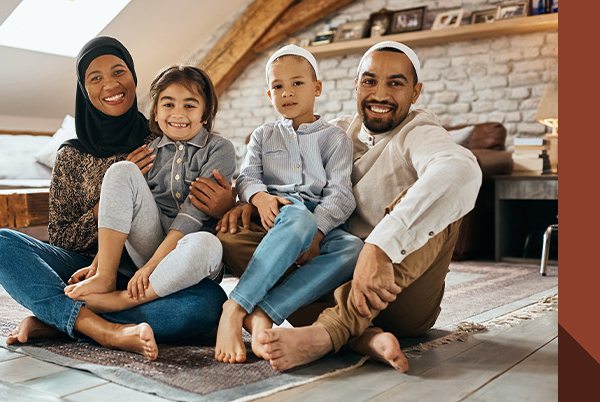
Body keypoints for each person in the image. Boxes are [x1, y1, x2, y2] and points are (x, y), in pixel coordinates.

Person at [0, 37, 233, 360]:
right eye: (95, 78)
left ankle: (60, 319)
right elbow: (61, 238)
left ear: (133, 77)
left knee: (208, 304)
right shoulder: (70, 155)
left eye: (118, 72)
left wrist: (227, 204)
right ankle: (103, 329)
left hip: (145, 271)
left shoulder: (160, 137)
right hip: (84, 269)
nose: (110, 84)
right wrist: (108, 206)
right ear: (84, 89)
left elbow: (196, 196)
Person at [237, 41, 482, 372]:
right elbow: (269, 175)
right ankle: (365, 338)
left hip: (395, 290)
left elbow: (460, 171)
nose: (380, 94)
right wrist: (246, 201)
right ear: (356, 85)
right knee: (241, 236)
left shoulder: (420, 132)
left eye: (395, 83)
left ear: (415, 92)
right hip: (334, 272)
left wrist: (380, 246)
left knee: (444, 205)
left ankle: (328, 333)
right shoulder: (334, 131)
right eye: (369, 81)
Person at [212, 45, 364, 364]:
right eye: (278, 86)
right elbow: (247, 178)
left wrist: (319, 233)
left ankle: (264, 312)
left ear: (317, 88)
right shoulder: (263, 136)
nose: (287, 92)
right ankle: (234, 307)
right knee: (298, 219)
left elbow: (341, 193)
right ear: (270, 94)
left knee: (354, 249)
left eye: (297, 83)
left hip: (322, 219)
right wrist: (261, 197)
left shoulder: (335, 139)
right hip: (281, 215)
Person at [65, 66, 236, 314]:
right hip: (150, 246)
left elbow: (192, 216)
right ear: (155, 112)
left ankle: (123, 301)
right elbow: (124, 212)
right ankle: (106, 277)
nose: (178, 113)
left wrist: (150, 268)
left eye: (189, 105)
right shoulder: (148, 152)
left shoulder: (219, 149)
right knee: (121, 170)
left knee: (208, 244)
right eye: (168, 105)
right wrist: (97, 264)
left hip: (189, 255)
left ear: (206, 114)